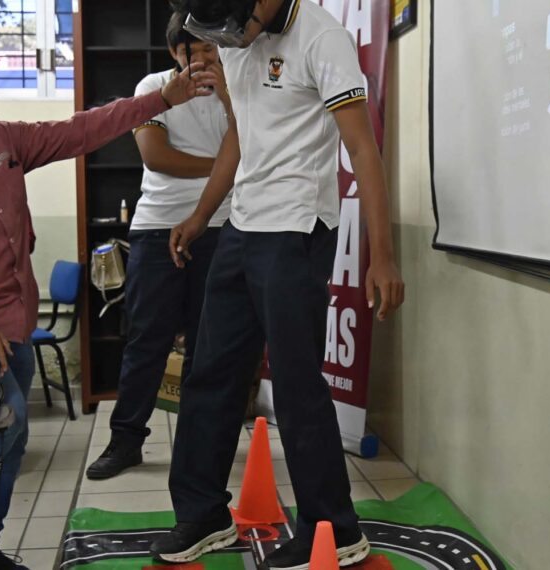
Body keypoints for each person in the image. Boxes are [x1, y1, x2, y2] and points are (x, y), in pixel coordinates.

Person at [0, 45, 214, 570]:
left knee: (13, 433)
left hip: (12, 320)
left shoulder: (3, 140)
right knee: (1, 424)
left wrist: (159, 100)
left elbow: (82, 130)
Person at [149, 0, 406, 567]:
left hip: (295, 230)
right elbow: (239, 138)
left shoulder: (323, 39)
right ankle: (202, 514)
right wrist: (200, 216)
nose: (229, 39)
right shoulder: (237, 38)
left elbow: (362, 148)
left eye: (233, 26)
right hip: (242, 226)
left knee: (294, 384)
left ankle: (334, 529)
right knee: (209, 370)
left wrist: (382, 256)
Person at [85, 10, 233, 481]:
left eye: (214, 48)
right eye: (197, 50)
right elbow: (157, 157)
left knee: (208, 345)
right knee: (146, 340)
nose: (208, 59)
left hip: (224, 225)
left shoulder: (236, 88)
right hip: (156, 228)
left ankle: (199, 445)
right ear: (175, 53)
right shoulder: (153, 86)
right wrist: (227, 165)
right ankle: (125, 440)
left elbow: (254, 141)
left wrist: (230, 97)